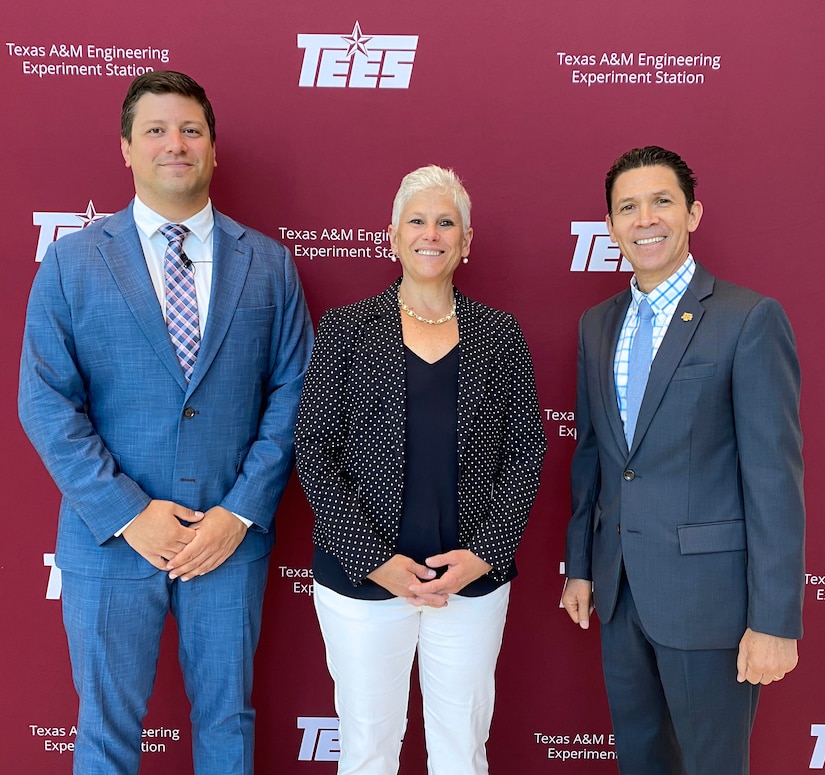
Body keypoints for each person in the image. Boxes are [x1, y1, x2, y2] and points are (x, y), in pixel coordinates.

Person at [18, 71, 313, 775]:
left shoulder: (268, 265)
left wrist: (237, 514)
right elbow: (45, 401)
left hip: (226, 541)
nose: (173, 144)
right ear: (126, 148)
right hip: (111, 544)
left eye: (190, 130)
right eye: (155, 130)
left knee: (226, 723)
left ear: (212, 148)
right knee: (106, 731)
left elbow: (294, 393)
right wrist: (130, 513)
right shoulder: (71, 262)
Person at [295, 165, 546, 775]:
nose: (430, 233)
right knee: (366, 751)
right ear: (392, 234)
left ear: (465, 241)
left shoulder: (500, 334)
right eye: (417, 220)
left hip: (471, 585)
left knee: (461, 750)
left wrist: (484, 554)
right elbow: (314, 450)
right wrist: (373, 560)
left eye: (445, 222)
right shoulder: (346, 331)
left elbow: (527, 451)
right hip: (362, 584)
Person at [562, 146, 805, 775]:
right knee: (642, 763)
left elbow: (775, 480)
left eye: (662, 201)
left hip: (711, 604)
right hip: (619, 597)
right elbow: (594, 460)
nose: (646, 219)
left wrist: (775, 621)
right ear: (610, 226)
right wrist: (581, 568)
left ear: (693, 213)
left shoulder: (747, 319)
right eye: (628, 207)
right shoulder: (596, 325)